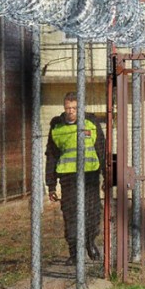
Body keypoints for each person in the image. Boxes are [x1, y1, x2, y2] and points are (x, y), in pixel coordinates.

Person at [45, 92, 106, 264]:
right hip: (68, 179)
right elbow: (51, 157)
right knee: (71, 214)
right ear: (64, 109)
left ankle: (89, 242)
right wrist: (50, 185)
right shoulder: (57, 128)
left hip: (90, 176)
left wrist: (107, 176)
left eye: (74, 108)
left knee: (93, 212)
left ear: (80, 108)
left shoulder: (91, 124)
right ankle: (74, 253)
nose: (71, 111)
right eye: (68, 108)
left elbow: (102, 150)